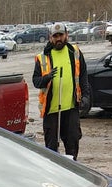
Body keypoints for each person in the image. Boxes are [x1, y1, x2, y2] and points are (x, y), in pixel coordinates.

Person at [32, 23, 91, 160]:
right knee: (51, 151)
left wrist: (86, 97)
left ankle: (73, 172)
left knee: (72, 146)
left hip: (70, 109)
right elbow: (36, 81)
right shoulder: (42, 58)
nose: (58, 39)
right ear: (50, 38)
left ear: (66, 35)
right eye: (55, 36)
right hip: (51, 111)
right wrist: (47, 78)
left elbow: (83, 77)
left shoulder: (74, 52)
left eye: (61, 35)